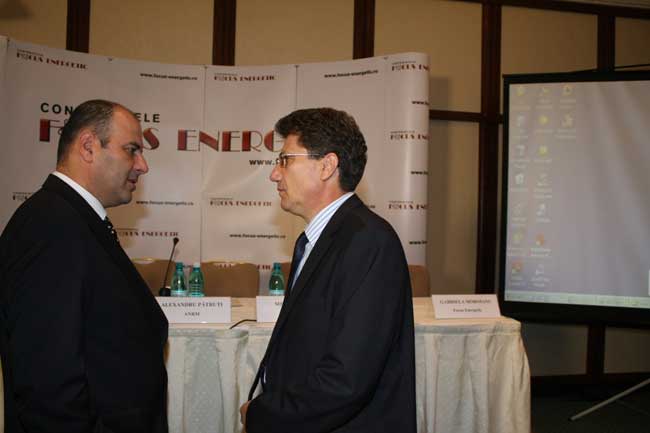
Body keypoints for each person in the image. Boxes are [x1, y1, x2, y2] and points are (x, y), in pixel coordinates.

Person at [240, 108, 416, 433]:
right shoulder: (319, 239)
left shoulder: (368, 241)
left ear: (327, 166)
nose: (274, 175)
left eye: (285, 160)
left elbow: (347, 379)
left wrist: (265, 414)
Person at [0, 100, 169, 433]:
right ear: (89, 146)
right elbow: (48, 386)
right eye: (132, 150)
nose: (143, 165)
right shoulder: (51, 227)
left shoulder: (73, 218)